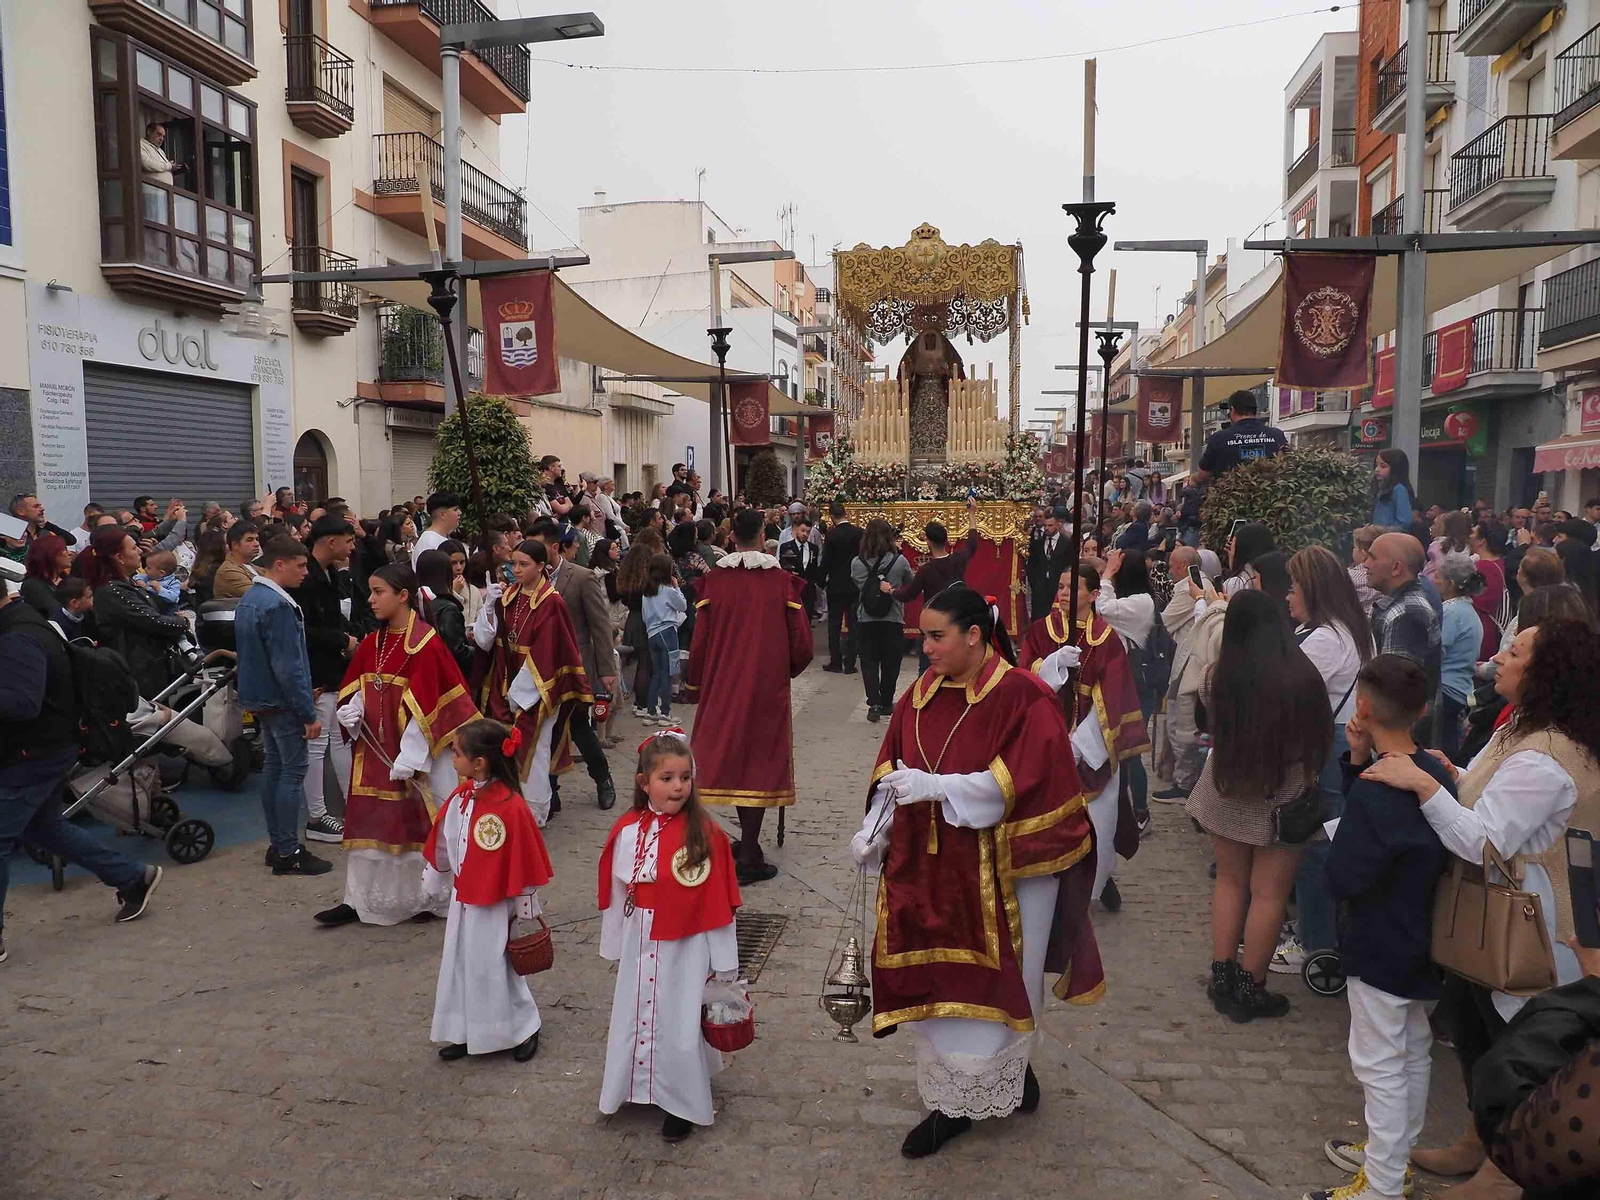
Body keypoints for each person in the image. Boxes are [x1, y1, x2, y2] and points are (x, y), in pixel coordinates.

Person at [853, 584, 1102, 1159]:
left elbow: (1021, 781)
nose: (925, 647)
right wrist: (875, 830)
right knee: (942, 982)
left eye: (936, 636)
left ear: (973, 635)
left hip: (1009, 871)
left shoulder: (1023, 696)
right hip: (932, 871)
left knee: (1007, 981)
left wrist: (938, 787)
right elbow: (894, 771)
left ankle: (979, 1092)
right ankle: (970, 1091)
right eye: (923, 635)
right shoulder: (919, 695)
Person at [1358, 618, 1600, 1191]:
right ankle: (1479, 1142)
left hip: (1524, 924)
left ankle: (1504, 1171)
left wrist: (1424, 786)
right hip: (1491, 911)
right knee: (1474, 1027)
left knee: (1513, 1043)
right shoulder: (1525, 728)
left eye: (1514, 652)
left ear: (1545, 672)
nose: (1500, 658)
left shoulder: (1547, 755)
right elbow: (1500, 802)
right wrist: (1457, 774)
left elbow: (1485, 838)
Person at [1308, 655, 1452, 1200]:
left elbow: (1345, 873)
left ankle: (1383, 1184)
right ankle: (1395, 1161)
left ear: (1363, 707)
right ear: (1421, 710)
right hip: (1423, 935)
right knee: (1412, 1052)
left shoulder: (1378, 789)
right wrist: (1357, 759)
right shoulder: (1432, 771)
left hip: (1379, 939)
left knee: (1380, 1066)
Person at [0, 575, 164, 962]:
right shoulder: (23, 623)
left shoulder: (18, 637)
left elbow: (23, 703)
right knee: (45, 828)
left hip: (33, 754)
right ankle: (132, 877)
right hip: (42, 749)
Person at [1186, 590, 1332, 1022]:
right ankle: (1252, 984)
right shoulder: (1301, 678)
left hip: (1229, 787)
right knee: (1269, 895)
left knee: (1229, 883)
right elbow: (1318, 737)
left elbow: (1207, 723)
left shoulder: (1217, 677)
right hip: (1283, 795)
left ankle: (1222, 974)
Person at [598, 727, 741, 1142]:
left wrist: (724, 962)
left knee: (679, 1019)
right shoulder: (628, 829)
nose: (678, 786)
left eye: (685, 777)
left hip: (686, 943)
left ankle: (682, 1101)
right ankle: (634, 1086)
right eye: (667, 778)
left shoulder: (706, 834)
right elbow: (618, 891)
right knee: (634, 1011)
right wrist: (615, 941)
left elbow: (719, 903)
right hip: (640, 936)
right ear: (644, 783)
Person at [317, 562, 480, 926]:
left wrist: (412, 755)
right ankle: (358, 899)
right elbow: (363, 682)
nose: (371, 600)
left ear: (403, 595)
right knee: (371, 818)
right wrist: (354, 707)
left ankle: (423, 898)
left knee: (414, 822)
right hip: (376, 751)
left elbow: (431, 703)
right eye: (371, 592)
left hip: (414, 756)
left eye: (379, 592)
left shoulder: (425, 643)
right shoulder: (373, 642)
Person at [686, 507, 812, 884]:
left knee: (733, 757)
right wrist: (784, 670)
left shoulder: (714, 583)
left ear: (731, 538)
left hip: (722, 684)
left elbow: (700, 641)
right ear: (762, 537)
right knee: (758, 761)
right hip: (765, 686)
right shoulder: (782, 583)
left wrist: (696, 685)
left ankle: (749, 847)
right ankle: (750, 852)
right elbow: (802, 645)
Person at [422, 718, 551, 1065]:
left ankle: (523, 1027)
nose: (451, 759)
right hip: (463, 900)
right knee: (461, 964)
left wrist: (525, 905)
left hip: (496, 903)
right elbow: (445, 839)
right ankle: (466, 1030)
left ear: (478, 762)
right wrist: (436, 875)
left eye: (456, 753)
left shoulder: (511, 805)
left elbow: (525, 857)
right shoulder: (461, 797)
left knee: (496, 966)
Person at [1020, 564, 1148, 912]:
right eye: (1061, 586)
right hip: (1048, 742)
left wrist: (1078, 747)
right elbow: (1023, 679)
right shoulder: (1041, 631)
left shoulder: (1106, 639)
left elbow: (1114, 695)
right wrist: (1053, 665)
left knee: (1096, 821)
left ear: (1093, 595)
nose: (1062, 593)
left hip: (1090, 748)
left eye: (1071, 587)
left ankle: (1097, 881)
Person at [1271, 545, 1373, 977]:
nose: (1288, 596)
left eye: (1294, 588)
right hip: (1337, 743)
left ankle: (1316, 941)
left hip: (1327, 747)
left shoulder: (1328, 639)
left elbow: (1287, 694)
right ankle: (1315, 930)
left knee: (1315, 843)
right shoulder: (1348, 630)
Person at [470, 539, 591, 824]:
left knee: (533, 751)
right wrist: (489, 608)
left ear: (540, 566)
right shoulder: (509, 595)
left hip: (536, 686)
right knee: (500, 746)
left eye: (523, 564)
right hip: (502, 681)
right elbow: (486, 641)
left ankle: (534, 812)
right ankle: (505, 805)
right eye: (514, 563)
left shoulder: (551, 602)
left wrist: (521, 692)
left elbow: (549, 650)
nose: (516, 569)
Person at [234, 537, 330, 878]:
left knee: (274, 770)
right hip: (283, 702)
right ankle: (288, 851)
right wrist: (307, 712)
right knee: (292, 772)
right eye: (300, 565)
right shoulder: (278, 606)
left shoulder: (251, 599)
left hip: (261, 698)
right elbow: (289, 666)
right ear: (280, 564)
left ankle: (279, 843)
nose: (305, 572)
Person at [288, 515, 359, 846]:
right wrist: (343, 641)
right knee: (316, 746)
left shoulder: (329, 573)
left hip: (332, 671)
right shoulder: (307, 579)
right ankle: (317, 816)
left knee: (339, 738)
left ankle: (351, 806)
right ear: (331, 542)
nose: (352, 547)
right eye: (349, 540)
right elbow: (304, 631)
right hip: (316, 673)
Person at [545, 527, 619, 810]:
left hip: (576, 666)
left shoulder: (581, 577)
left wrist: (606, 669)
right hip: (543, 669)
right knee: (549, 730)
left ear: (555, 547)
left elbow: (599, 625)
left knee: (578, 727)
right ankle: (550, 791)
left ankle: (603, 778)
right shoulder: (530, 578)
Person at [80, 526, 190, 700]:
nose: (139, 551)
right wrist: (184, 622)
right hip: (138, 676)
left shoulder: (128, 583)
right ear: (119, 558)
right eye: (133, 548)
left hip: (152, 667)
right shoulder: (112, 591)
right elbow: (153, 620)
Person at [1097, 548, 1156, 833]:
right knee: (1118, 750)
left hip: (1137, 685)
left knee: (1131, 752)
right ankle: (1121, 811)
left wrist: (1108, 573)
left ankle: (1140, 812)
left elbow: (1103, 608)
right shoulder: (1130, 600)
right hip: (1122, 684)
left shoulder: (1141, 602)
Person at [1152, 545, 1206, 802]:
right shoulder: (1194, 584)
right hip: (1189, 663)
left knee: (1180, 725)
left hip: (1189, 666)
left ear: (1183, 566)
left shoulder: (1188, 589)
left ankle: (1185, 784)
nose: (1169, 570)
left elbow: (1164, 621)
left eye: (1172, 565)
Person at [848, 518, 914, 723]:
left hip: (866, 618)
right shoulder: (899, 561)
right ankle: (886, 701)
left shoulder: (857, 562)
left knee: (868, 661)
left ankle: (874, 703)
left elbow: (858, 585)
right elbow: (910, 583)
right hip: (893, 617)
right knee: (891, 662)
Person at [1434, 552, 1484, 764]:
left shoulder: (1451, 613)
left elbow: (1436, 652)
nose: (1433, 580)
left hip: (1446, 692)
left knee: (1442, 753)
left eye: (1438, 576)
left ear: (1450, 584)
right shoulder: (1467, 610)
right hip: (1460, 690)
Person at [1194, 389, 1287, 484]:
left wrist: (1193, 479)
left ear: (1233, 410)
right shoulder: (1277, 435)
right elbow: (1286, 466)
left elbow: (1202, 475)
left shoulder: (1218, 438)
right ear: (1255, 410)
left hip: (1229, 491)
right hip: (1270, 492)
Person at [640, 553, 685, 724]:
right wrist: (677, 587)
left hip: (652, 633)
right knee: (668, 673)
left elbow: (644, 616)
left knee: (656, 674)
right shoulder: (668, 590)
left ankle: (651, 711)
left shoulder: (647, 592)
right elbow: (682, 606)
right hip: (668, 632)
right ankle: (665, 713)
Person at [819, 500, 863, 673]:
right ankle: (850, 663)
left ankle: (836, 661)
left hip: (836, 585)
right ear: (846, 513)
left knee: (834, 625)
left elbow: (826, 561)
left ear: (831, 516)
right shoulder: (858, 532)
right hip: (854, 584)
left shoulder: (831, 535)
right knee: (853, 625)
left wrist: (821, 581)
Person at [416, 548, 473, 676]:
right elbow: (457, 652)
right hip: (445, 676)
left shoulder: (413, 603)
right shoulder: (448, 609)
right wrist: (480, 653)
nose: (458, 568)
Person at [1024, 506, 1072, 622]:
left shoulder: (1067, 543)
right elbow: (1031, 566)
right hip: (1039, 591)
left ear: (1058, 525)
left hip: (1058, 589)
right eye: (1045, 525)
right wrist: (1035, 583)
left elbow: (1069, 564)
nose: (1047, 528)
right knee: (1039, 621)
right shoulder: (1037, 544)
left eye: (1050, 525)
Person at [21, 534, 72, 618]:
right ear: (50, 554)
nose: (69, 553)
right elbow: (53, 612)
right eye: (64, 549)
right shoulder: (32, 585)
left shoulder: (69, 579)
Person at [1222, 522, 1275, 598]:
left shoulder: (1236, 584)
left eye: (1232, 549)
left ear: (1240, 553)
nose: (1230, 554)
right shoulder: (1281, 575)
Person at [212, 520, 261, 600]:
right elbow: (261, 596)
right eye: (249, 540)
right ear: (235, 545)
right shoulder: (228, 571)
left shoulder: (254, 567)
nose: (257, 544)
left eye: (257, 539)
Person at [411, 491, 461, 567]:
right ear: (443, 515)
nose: (460, 513)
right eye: (455, 509)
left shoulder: (442, 538)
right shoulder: (429, 543)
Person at [1371, 449, 1414, 530]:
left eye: (1383, 466)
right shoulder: (1379, 489)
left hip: (1391, 536)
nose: (1377, 469)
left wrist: (1383, 531)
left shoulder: (1399, 490)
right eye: (1376, 465)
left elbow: (1405, 522)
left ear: (1395, 468)